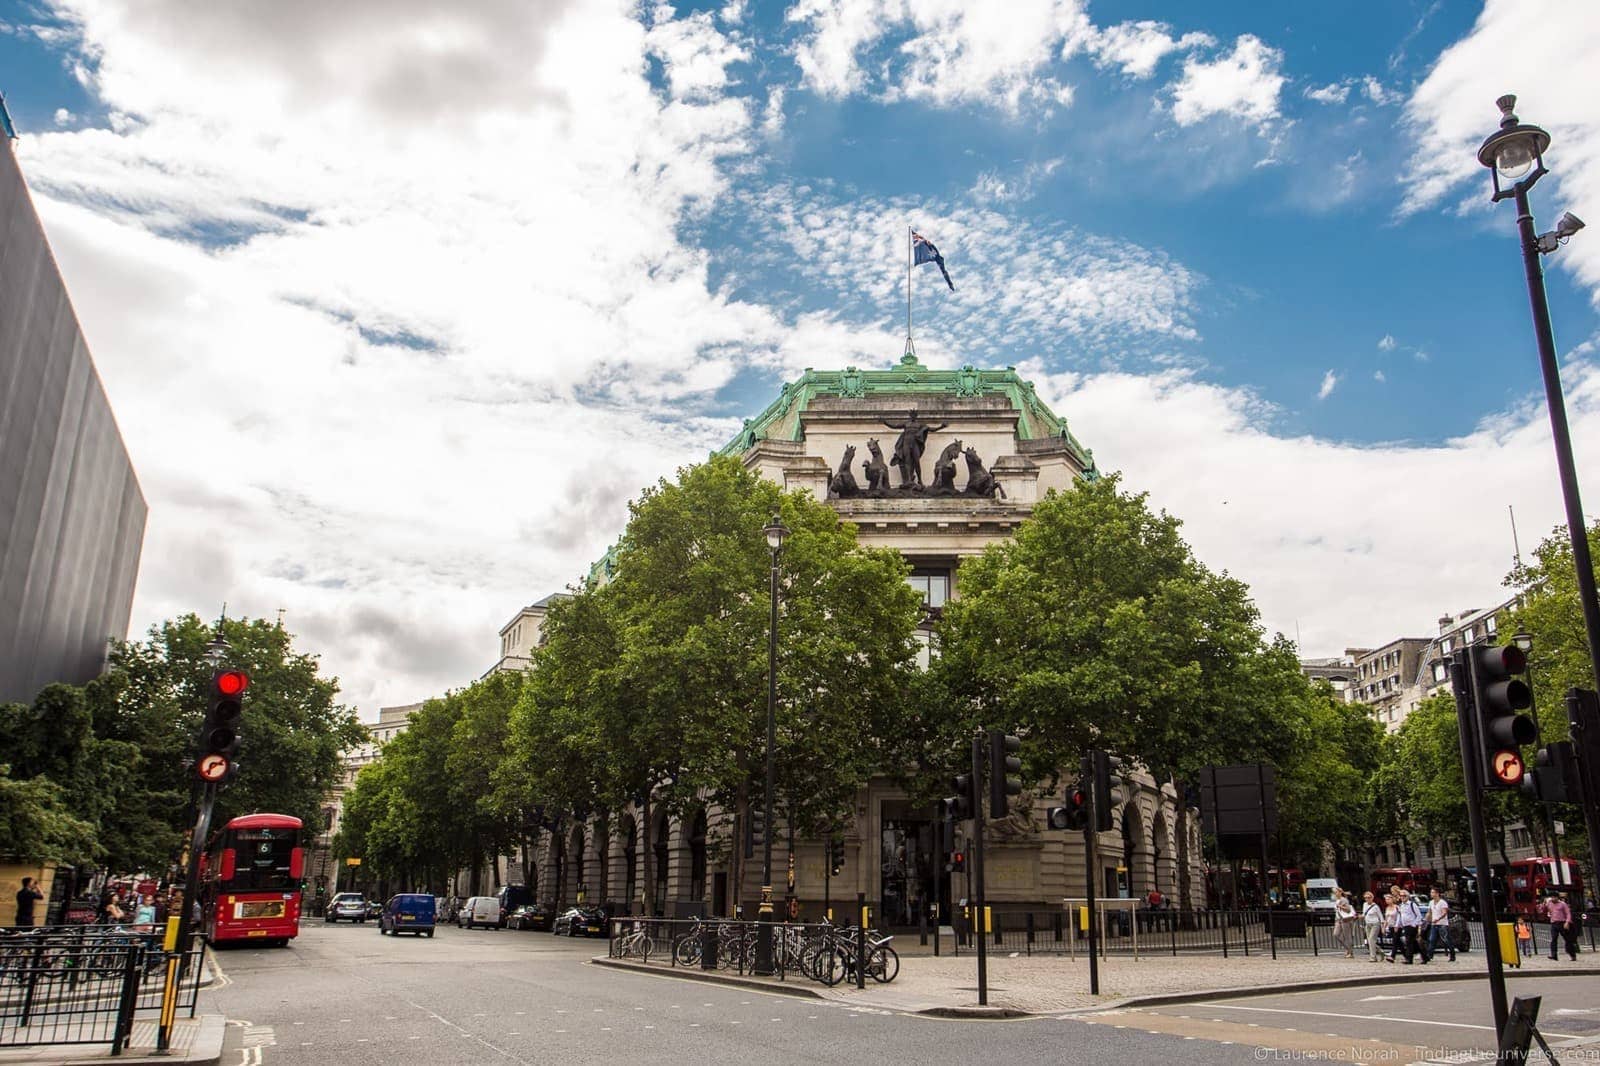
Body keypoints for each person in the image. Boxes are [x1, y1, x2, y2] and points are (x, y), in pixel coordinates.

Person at [881, 409, 948, 490]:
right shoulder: (906, 424)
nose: (913, 416)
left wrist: (941, 427)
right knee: (907, 461)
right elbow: (894, 426)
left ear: (916, 416)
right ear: (910, 415)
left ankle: (920, 480)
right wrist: (885, 423)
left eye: (914, 415)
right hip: (906, 444)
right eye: (911, 415)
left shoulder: (920, 424)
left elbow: (931, 429)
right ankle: (909, 480)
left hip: (915, 444)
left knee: (916, 462)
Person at [1393, 889, 1424, 964]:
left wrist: (1414, 924)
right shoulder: (1401, 906)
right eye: (1401, 896)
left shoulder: (1412, 904)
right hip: (1405, 926)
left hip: (1412, 925)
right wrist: (1397, 925)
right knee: (1413, 942)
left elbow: (1419, 915)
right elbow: (1400, 916)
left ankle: (1409, 959)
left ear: (1408, 896)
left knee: (1409, 942)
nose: (1402, 897)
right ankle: (1425, 956)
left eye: (1404, 896)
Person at [1425, 887, 1455, 963]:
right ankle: (1429, 955)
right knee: (1432, 940)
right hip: (1434, 924)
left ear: (1437, 893)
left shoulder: (1442, 902)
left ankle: (1452, 954)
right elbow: (1429, 912)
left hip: (1442, 924)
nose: (1431, 894)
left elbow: (1444, 913)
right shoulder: (1431, 902)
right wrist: (1427, 918)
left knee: (1446, 940)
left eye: (1433, 892)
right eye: (1431, 892)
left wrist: (1438, 919)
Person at [1547, 892, 1578, 961]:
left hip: (1562, 923)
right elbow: (1546, 910)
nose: (1553, 898)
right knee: (1553, 939)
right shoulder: (1549, 903)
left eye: (1554, 897)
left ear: (1557, 897)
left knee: (1567, 940)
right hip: (1554, 923)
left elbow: (1568, 914)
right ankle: (1554, 954)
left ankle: (1572, 955)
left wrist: (1567, 922)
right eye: (1551, 897)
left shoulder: (1563, 904)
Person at [1333, 888, 1357, 958]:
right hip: (1338, 919)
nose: (1335, 894)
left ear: (1340, 892)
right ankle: (1348, 949)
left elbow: (1348, 910)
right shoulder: (1337, 900)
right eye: (1335, 892)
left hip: (1345, 919)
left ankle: (1350, 952)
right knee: (1335, 934)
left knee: (1347, 936)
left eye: (1336, 892)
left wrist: (1340, 906)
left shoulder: (1344, 900)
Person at [1361, 891, 1384, 963]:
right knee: (1369, 941)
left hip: (1375, 924)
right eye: (1365, 898)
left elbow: (1381, 916)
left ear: (1372, 898)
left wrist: (1383, 926)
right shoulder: (1364, 904)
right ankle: (1380, 950)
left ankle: (1373, 957)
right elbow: (1364, 914)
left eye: (1369, 897)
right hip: (1368, 924)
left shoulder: (1376, 906)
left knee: (1371, 939)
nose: (1367, 899)